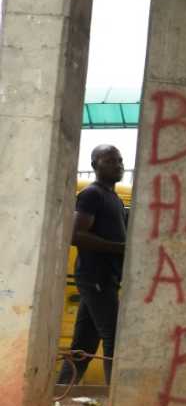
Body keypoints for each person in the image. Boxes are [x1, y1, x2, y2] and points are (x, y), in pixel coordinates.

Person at [59, 144, 126, 386]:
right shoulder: (92, 194)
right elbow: (76, 235)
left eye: (119, 160)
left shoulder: (115, 199)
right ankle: (114, 397)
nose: (118, 165)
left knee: (84, 344)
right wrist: (119, 248)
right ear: (94, 165)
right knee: (114, 338)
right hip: (95, 277)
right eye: (110, 161)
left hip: (105, 278)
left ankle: (61, 389)